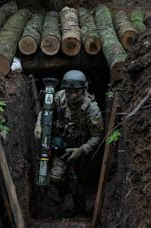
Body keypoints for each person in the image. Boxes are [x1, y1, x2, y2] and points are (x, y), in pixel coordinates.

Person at [34, 70, 104, 214]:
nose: (72, 95)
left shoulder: (91, 108)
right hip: (61, 145)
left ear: (84, 89)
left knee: (77, 181)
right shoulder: (59, 97)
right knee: (55, 177)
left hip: (80, 149)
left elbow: (97, 136)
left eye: (76, 91)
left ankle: (80, 211)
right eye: (69, 91)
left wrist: (82, 150)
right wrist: (39, 125)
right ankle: (59, 199)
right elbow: (46, 111)